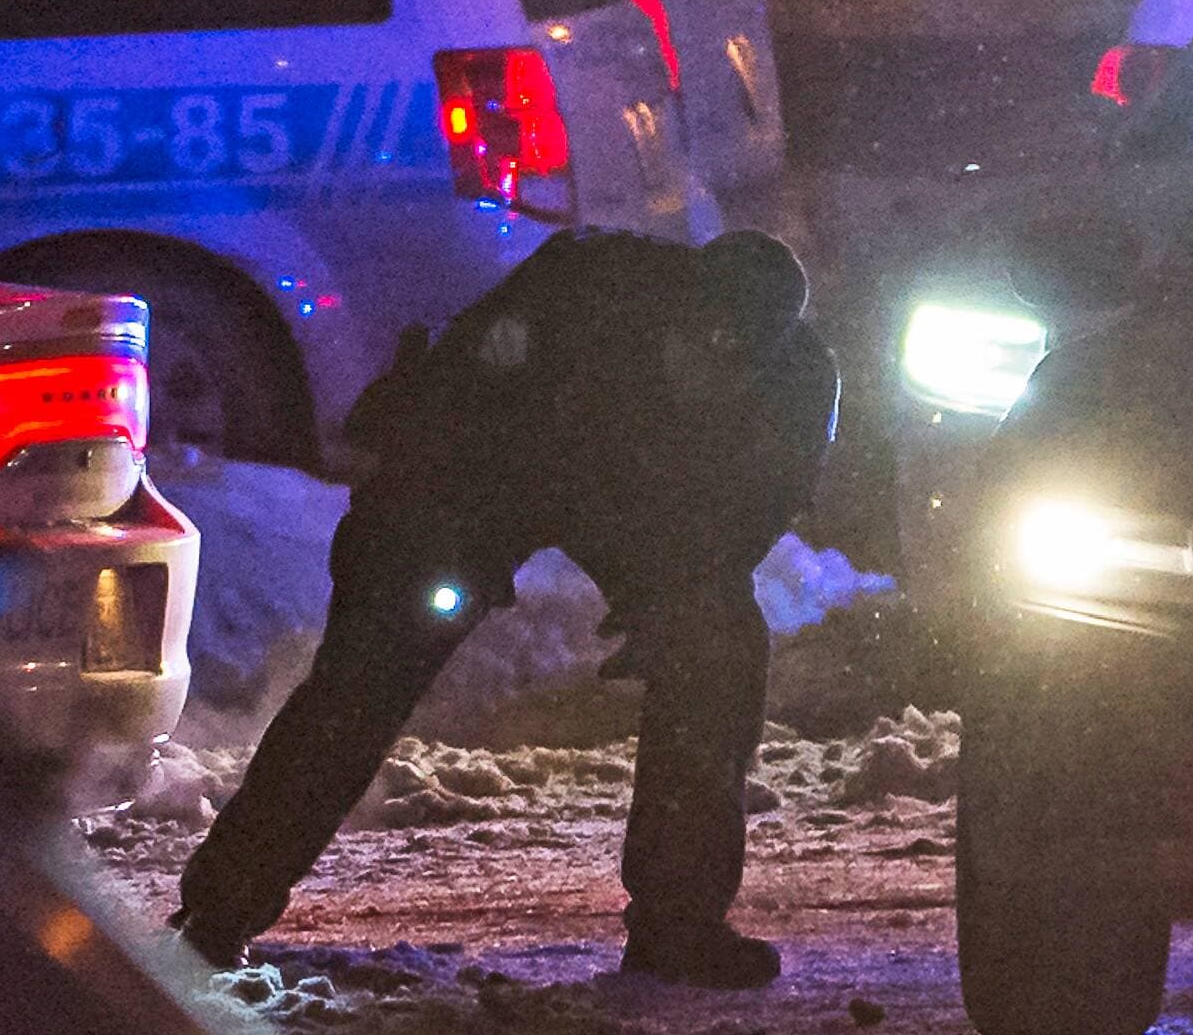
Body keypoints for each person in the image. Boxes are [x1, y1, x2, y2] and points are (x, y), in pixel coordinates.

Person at [174, 227, 838, 988]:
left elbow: (743, 526)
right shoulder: (582, 289)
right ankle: (220, 910)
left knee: (715, 649)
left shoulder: (798, 389)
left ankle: (679, 926)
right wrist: (402, 567)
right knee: (365, 679)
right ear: (672, 313)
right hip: (488, 467)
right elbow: (436, 428)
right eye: (693, 350)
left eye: (728, 372)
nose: (703, 379)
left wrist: (675, 605)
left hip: (648, 511)